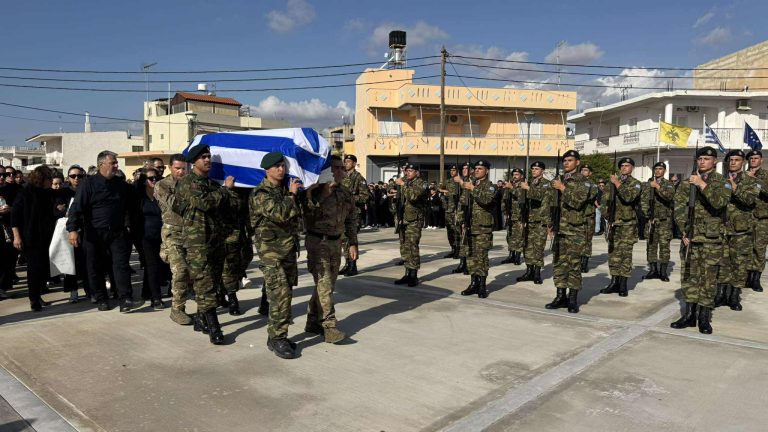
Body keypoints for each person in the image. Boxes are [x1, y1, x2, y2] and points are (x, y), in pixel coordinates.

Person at [176, 145, 237, 345]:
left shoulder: (211, 184)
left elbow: (228, 207)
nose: (208, 160)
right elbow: (205, 203)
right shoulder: (187, 183)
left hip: (215, 239)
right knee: (205, 283)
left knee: (214, 281)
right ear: (194, 162)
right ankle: (214, 327)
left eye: (209, 156)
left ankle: (201, 318)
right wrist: (225, 190)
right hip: (197, 243)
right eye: (203, 157)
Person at [67, 151, 137, 312]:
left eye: (116, 163)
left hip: (117, 233)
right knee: (95, 267)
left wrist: (128, 224)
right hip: (94, 234)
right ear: (101, 165)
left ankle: (125, 298)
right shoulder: (88, 184)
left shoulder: (121, 185)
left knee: (121, 265)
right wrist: (72, 230)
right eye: (113, 163)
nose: (116, 166)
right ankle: (101, 298)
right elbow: (76, 208)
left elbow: (130, 207)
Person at [670, 146, 730, 334]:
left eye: (706, 159)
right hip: (691, 238)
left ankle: (704, 317)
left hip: (711, 239)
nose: (702, 162)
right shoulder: (687, 182)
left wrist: (702, 185)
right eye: (700, 158)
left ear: (714, 161)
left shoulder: (722, 182)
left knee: (708, 279)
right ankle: (689, 315)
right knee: (689, 277)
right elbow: (678, 207)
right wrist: (684, 231)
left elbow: (720, 203)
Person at [250, 152, 301, 359]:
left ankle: (277, 336)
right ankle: (277, 338)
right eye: (277, 166)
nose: (281, 169)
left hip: (287, 249)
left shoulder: (282, 190)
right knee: (279, 295)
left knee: (286, 294)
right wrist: (292, 195)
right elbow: (279, 213)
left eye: (283, 166)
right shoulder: (261, 193)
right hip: (272, 253)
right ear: (267, 170)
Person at [301, 155, 357, 343]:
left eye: (342, 168)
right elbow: (307, 215)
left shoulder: (345, 193)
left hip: (336, 242)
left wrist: (352, 243)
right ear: (327, 170)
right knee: (324, 284)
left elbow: (351, 220)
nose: (339, 171)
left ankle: (312, 320)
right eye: (335, 168)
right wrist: (323, 194)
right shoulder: (315, 190)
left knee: (327, 285)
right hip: (318, 242)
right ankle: (329, 326)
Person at [547, 150, 591, 313]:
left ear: (577, 162)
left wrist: (562, 188)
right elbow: (552, 203)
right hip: (560, 229)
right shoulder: (558, 179)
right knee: (559, 264)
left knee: (573, 265)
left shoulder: (583, 181)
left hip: (574, 229)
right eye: (564, 160)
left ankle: (572, 299)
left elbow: (578, 202)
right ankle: (560, 296)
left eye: (570, 160)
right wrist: (550, 223)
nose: (566, 163)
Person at [715, 150, 759, 311]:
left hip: (741, 230)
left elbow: (750, 200)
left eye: (737, 160)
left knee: (739, 264)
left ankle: (734, 297)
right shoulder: (720, 179)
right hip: (722, 228)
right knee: (723, 263)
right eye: (731, 160)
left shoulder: (751, 180)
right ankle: (721, 295)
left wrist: (735, 187)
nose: (733, 162)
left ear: (743, 162)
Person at [11, 166, 56, 311]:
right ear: (41, 178)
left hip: (46, 237)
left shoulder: (47, 193)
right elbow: (15, 216)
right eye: (49, 178)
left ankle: (38, 294)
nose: (51, 181)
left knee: (42, 268)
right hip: (30, 238)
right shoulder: (25, 192)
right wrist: (17, 236)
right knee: (34, 269)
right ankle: (34, 299)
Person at [155, 154, 192, 325]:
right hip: (172, 233)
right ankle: (177, 309)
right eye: (177, 168)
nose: (181, 172)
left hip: (191, 233)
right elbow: (175, 204)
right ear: (170, 168)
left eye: (184, 168)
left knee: (195, 271)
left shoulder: (191, 183)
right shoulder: (162, 185)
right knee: (180, 270)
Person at [600, 157, 641, 297]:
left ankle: (623, 284)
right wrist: (607, 216)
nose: (624, 168)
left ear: (632, 168)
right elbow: (603, 202)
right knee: (613, 254)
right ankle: (614, 282)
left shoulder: (635, 184)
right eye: (622, 165)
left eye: (627, 165)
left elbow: (629, 197)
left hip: (628, 224)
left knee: (625, 254)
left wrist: (617, 183)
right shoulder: (610, 184)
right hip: (614, 224)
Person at [458, 160, 497, 298]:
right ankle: (473, 283)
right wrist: (461, 220)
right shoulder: (470, 184)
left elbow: (487, 200)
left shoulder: (490, 186)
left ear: (487, 171)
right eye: (476, 168)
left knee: (481, 257)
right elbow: (463, 203)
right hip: (470, 226)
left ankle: (482, 286)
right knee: (470, 256)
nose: (477, 170)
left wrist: (473, 189)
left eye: (480, 168)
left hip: (482, 227)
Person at [135, 168, 167, 310]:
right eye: (150, 178)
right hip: (145, 237)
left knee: (158, 265)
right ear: (144, 181)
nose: (154, 180)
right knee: (152, 265)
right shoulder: (138, 198)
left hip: (161, 235)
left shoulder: (160, 195)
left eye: (156, 178)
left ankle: (147, 292)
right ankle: (156, 298)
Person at [517, 161, 551, 284]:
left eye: (537, 169)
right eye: (532, 169)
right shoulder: (530, 183)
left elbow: (540, 196)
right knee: (527, 246)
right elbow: (523, 202)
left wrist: (527, 188)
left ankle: (537, 273)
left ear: (542, 170)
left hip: (540, 220)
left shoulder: (546, 184)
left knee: (538, 246)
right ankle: (529, 271)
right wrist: (522, 218)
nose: (534, 171)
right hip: (529, 219)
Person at [640, 162, 675, 282]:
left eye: (660, 169)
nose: (658, 171)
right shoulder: (647, 184)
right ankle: (653, 270)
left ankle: (663, 272)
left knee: (664, 247)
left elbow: (669, 197)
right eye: (656, 169)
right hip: (651, 221)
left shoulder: (669, 184)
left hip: (664, 221)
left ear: (664, 171)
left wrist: (657, 187)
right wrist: (646, 214)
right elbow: (643, 199)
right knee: (651, 246)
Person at [393, 162, 427, 287]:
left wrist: (403, 184)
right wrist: (398, 181)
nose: (408, 173)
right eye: (406, 171)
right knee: (404, 247)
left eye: (410, 171)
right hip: (403, 219)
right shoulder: (405, 181)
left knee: (412, 247)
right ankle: (407, 273)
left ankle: (413, 275)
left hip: (414, 220)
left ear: (417, 172)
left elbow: (413, 196)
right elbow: (392, 186)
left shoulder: (421, 183)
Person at [220, 186, 252, 316]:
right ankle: (232, 297)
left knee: (246, 257)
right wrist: (228, 189)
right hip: (227, 233)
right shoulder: (220, 187)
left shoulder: (245, 188)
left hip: (242, 232)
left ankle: (222, 290)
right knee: (229, 266)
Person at [339, 154, 369, 277]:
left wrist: (350, 198)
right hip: (343, 213)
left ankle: (353, 265)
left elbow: (365, 197)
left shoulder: (359, 178)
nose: (346, 163)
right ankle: (347, 263)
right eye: (345, 161)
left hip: (354, 214)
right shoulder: (342, 177)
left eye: (349, 161)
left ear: (354, 163)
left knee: (352, 240)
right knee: (344, 240)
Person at [746, 149, 767, 292]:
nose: (753, 160)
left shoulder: (766, 175)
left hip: (762, 219)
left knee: (759, 249)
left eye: (756, 158)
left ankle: (756, 279)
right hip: (745, 218)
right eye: (751, 158)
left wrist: (755, 180)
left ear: (761, 160)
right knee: (746, 248)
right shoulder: (743, 175)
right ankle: (747, 277)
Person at [500, 168, 525, 265]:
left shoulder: (523, 185)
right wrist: (504, 211)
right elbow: (504, 199)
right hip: (510, 215)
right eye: (513, 174)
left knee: (518, 236)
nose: (515, 176)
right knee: (510, 236)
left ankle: (517, 256)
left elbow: (521, 197)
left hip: (519, 215)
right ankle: (511, 255)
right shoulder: (509, 185)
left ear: (521, 176)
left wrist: (511, 188)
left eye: (517, 174)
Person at [452, 162, 472, 274]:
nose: (464, 170)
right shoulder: (461, 180)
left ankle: (469, 264)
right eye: (463, 168)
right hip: (459, 214)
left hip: (467, 215)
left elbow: (467, 200)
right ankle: (462, 262)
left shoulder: (471, 181)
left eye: (467, 168)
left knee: (468, 241)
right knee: (461, 240)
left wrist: (461, 182)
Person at [579, 164, 599, 273]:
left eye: (586, 170)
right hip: (577, 216)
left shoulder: (593, 185)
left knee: (587, 239)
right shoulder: (575, 183)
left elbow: (587, 197)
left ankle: (584, 263)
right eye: (582, 170)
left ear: (590, 173)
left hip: (588, 216)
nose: (583, 172)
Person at [441, 165, 462, 259]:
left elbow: (460, 194)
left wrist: (447, 192)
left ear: (457, 171)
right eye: (451, 170)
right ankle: (453, 249)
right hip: (448, 210)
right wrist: (443, 191)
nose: (452, 172)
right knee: (450, 231)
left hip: (457, 210)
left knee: (457, 231)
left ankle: (459, 250)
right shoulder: (448, 181)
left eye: (453, 170)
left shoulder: (461, 181)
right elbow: (441, 189)